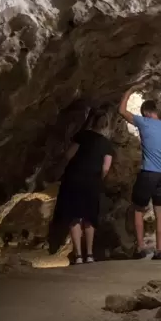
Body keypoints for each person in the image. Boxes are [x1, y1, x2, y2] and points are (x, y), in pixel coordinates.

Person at [118, 85, 161, 260]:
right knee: (159, 211)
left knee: (138, 210)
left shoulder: (144, 122)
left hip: (148, 174)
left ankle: (141, 248)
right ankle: (159, 251)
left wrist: (129, 90)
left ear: (146, 112)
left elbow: (121, 111)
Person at [55, 112, 114, 265]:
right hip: (92, 182)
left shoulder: (82, 136)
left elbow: (69, 155)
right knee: (89, 218)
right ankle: (89, 254)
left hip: (74, 179)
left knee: (74, 216)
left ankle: (78, 256)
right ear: (106, 125)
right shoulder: (107, 144)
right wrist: (97, 178)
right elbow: (106, 168)